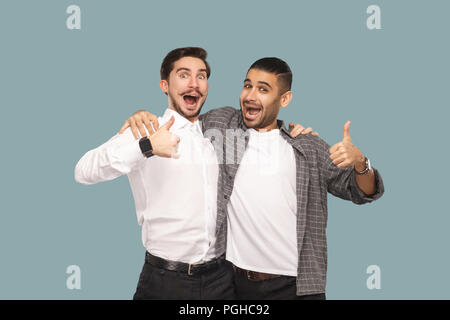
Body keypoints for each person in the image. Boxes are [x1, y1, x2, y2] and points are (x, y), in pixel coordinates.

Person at [121, 57, 385, 300]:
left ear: (285, 99)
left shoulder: (305, 145)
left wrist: (361, 162)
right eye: (247, 86)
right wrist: (144, 117)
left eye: (263, 89)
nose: (250, 96)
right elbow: (181, 119)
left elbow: (361, 192)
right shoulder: (224, 127)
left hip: (296, 287)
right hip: (234, 284)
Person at [74, 47, 312, 300]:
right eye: (184, 75)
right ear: (165, 85)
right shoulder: (146, 129)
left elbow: (264, 133)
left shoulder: (218, 133)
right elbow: (84, 171)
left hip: (221, 278)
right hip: (165, 279)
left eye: (201, 76)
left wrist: (294, 135)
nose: (194, 83)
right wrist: (146, 147)